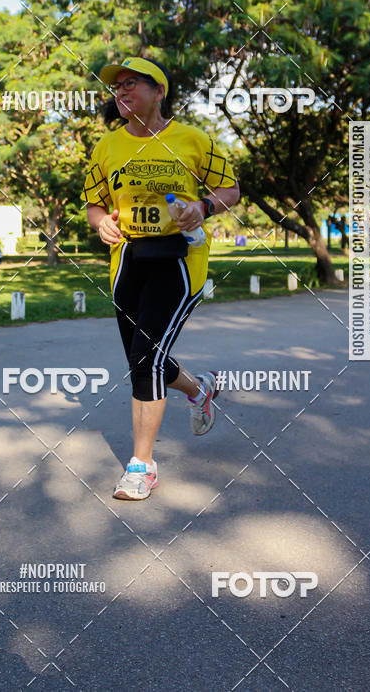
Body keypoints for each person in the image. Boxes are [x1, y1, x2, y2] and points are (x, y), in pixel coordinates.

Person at [81, 56, 239, 500]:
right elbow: (94, 202)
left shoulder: (193, 139)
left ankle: (142, 466)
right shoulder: (106, 147)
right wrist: (100, 224)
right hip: (128, 259)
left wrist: (202, 208)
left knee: (145, 358)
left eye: (132, 84)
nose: (122, 93)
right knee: (141, 357)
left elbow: (230, 190)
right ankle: (201, 388)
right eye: (118, 87)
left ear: (158, 91)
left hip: (179, 258)